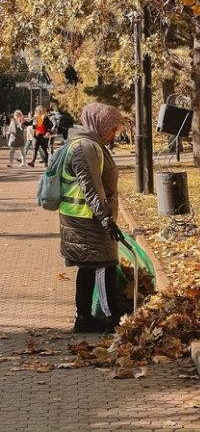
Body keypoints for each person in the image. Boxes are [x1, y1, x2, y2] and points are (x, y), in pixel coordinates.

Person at [58, 102, 125, 334]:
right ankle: (111, 319)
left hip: (86, 218)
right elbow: (91, 189)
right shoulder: (85, 147)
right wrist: (107, 220)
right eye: (112, 128)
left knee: (89, 268)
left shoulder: (92, 144)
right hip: (88, 220)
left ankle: (84, 319)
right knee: (103, 266)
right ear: (99, 124)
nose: (113, 134)